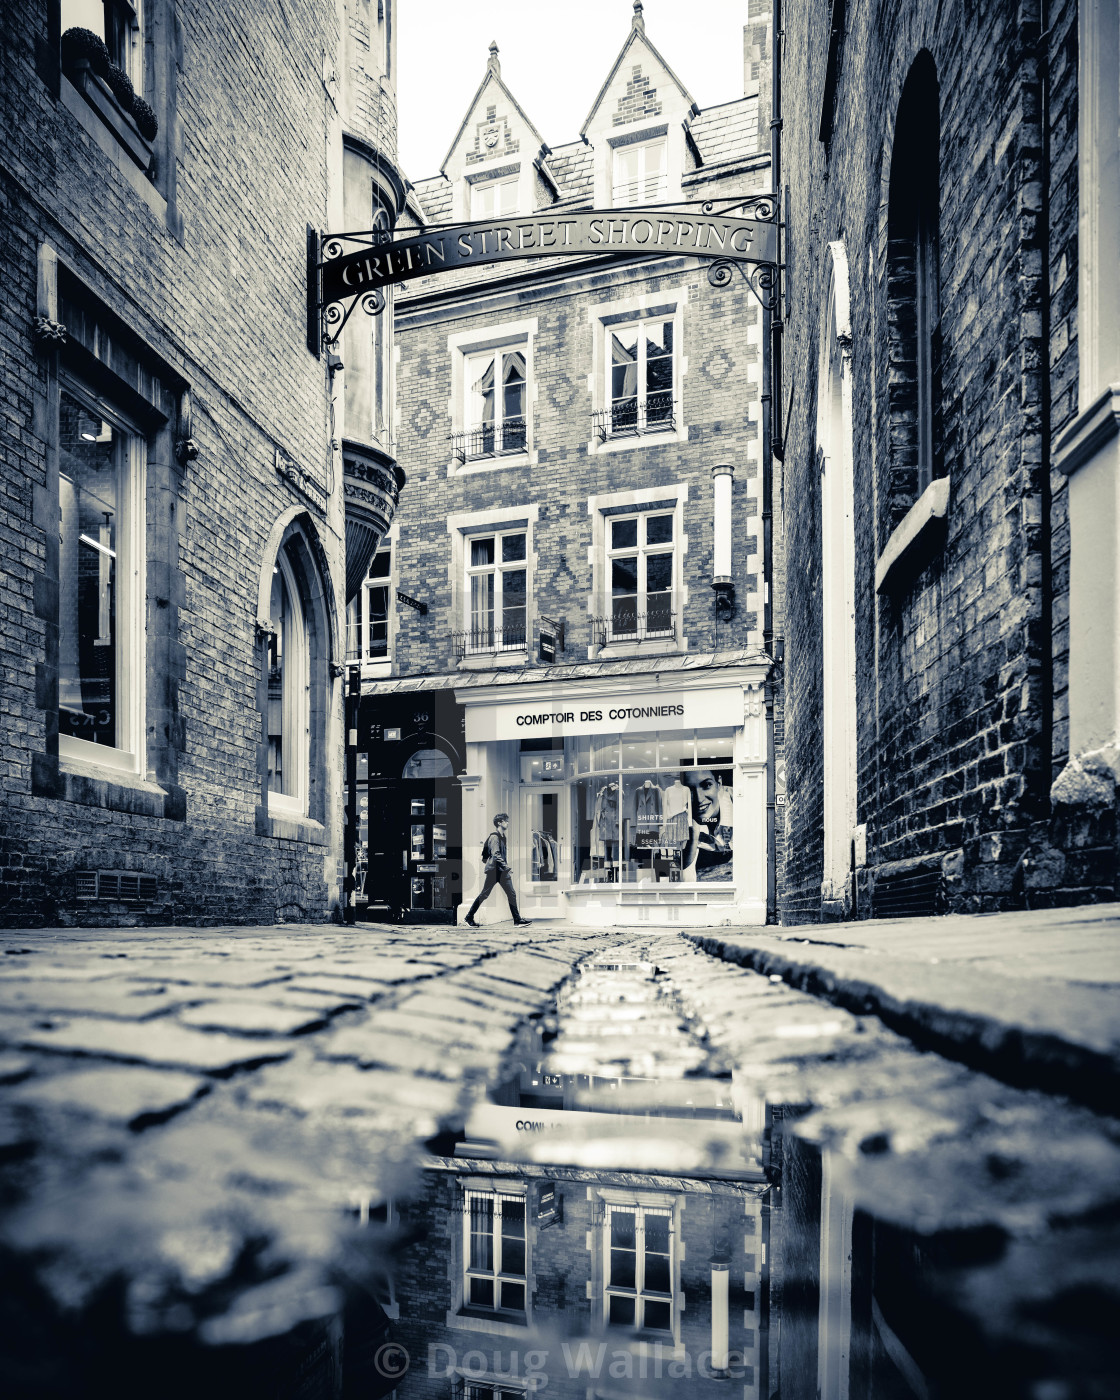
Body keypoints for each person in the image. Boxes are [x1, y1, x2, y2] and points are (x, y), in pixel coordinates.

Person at [464, 813, 531, 926]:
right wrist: (506, 867)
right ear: (499, 822)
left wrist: (504, 868)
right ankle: (468, 917)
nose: (508, 823)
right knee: (484, 894)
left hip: (502, 870)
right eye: (506, 821)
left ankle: (517, 920)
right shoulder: (494, 837)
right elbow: (496, 855)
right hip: (494, 870)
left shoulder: (503, 837)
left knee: (512, 894)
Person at [681, 769, 733, 882]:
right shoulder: (682, 813)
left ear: (719, 783)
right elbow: (684, 878)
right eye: (690, 790)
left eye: (707, 785)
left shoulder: (741, 802)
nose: (699, 799)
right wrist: (693, 838)